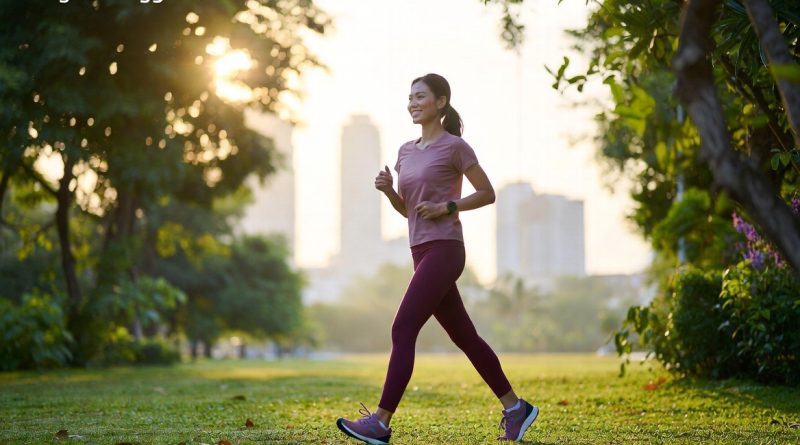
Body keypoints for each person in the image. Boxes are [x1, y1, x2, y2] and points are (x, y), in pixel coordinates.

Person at [335, 73, 539, 444]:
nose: (412, 102)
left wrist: (449, 206)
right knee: (466, 337)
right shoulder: (405, 151)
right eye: (409, 97)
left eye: (420, 96)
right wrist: (389, 193)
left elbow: (487, 193)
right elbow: (410, 212)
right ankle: (515, 408)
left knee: (402, 328)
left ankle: (380, 422)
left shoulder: (455, 147)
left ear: (441, 102)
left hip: (446, 249)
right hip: (420, 250)